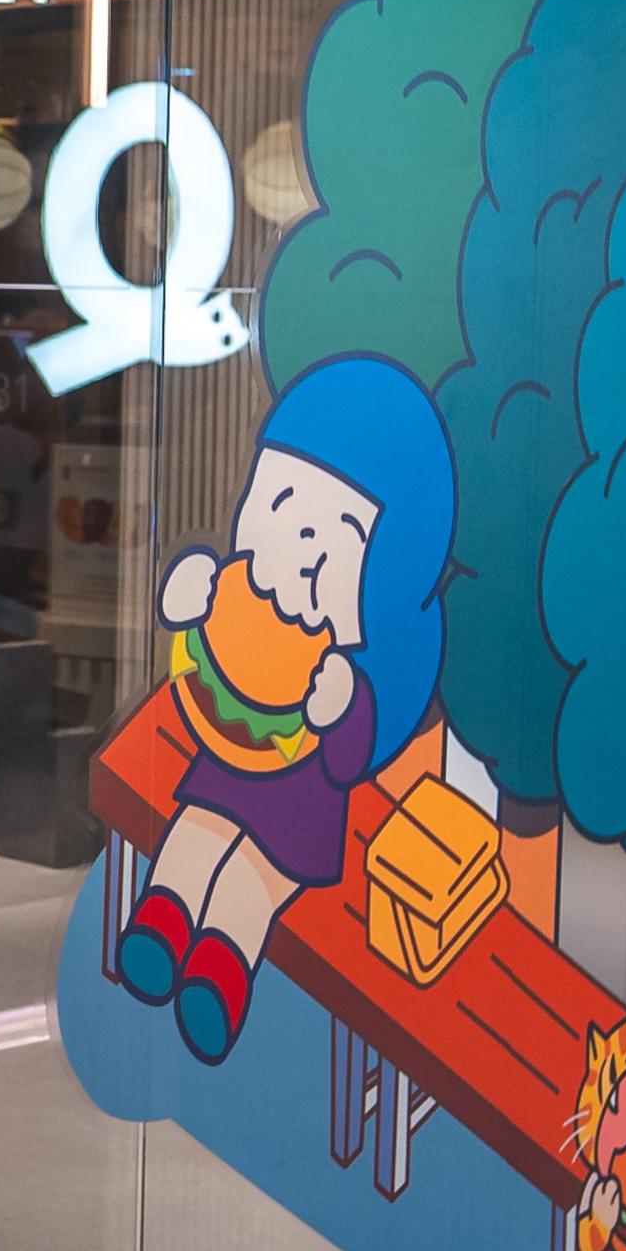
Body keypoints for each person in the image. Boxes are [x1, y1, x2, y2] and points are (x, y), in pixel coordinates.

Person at [117, 353, 452, 1067]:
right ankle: (159, 924)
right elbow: (200, 652)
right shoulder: (244, 594)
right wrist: (191, 599)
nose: (304, 540)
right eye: (283, 502)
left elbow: (351, 758)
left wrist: (340, 706)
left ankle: (220, 978)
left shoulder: (350, 670)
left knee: (249, 880)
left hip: (303, 809)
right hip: (226, 768)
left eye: (340, 533)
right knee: (196, 835)